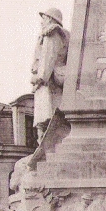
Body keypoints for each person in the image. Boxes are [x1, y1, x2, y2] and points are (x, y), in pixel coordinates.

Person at [31, 8, 69, 141]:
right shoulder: (58, 34)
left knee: (47, 117)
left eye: (44, 18)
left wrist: (40, 78)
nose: (42, 22)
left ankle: (46, 142)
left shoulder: (51, 33)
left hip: (49, 81)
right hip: (51, 80)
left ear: (51, 19)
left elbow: (48, 57)